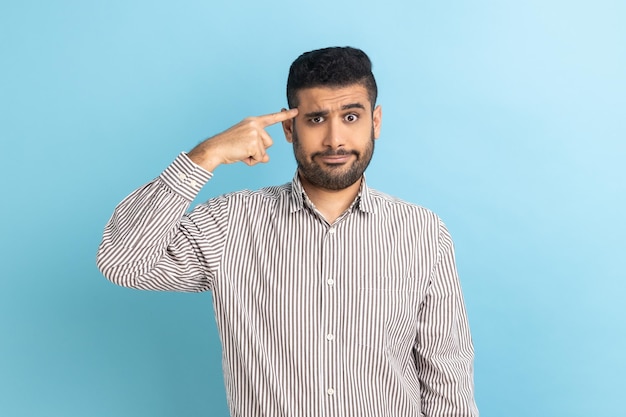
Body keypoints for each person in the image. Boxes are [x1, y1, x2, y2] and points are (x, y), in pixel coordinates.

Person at [97, 46, 478, 417]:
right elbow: (123, 263)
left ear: (375, 121)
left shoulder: (422, 232)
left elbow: (447, 378)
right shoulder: (230, 224)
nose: (334, 140)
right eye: (315, 119)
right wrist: (205, 155)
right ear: (288, 127)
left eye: (350, 117)